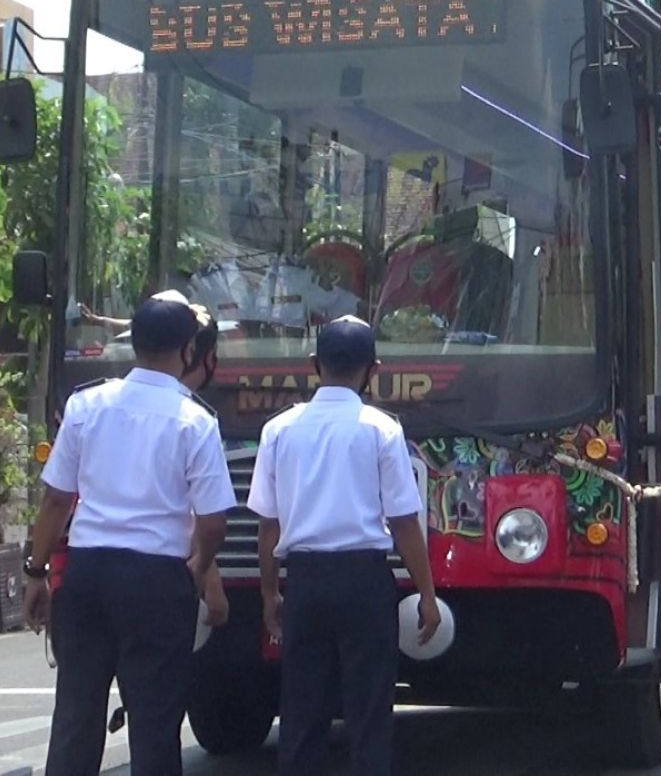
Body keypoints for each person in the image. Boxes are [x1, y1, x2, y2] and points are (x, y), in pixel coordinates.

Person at [22, 291, 235, 775]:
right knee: (155, 723)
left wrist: (37, 573)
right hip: (157, 582)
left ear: (133, 343)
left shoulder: (85, 404)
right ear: (187, 351)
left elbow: (57, 500)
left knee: (76, 717)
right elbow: (213, 522)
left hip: (88, 574)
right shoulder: (196, 421)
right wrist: (199, 568)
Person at [248, 315, 440, 775]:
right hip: (364, 579)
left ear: (314, 365)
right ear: (373, 369)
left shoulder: (279, 429)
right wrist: (427, 594)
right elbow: (403, 521)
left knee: (301, 706)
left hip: (306, 580)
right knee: (369, 709)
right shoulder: (381, 429)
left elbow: (268, 524)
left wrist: (270, 591)